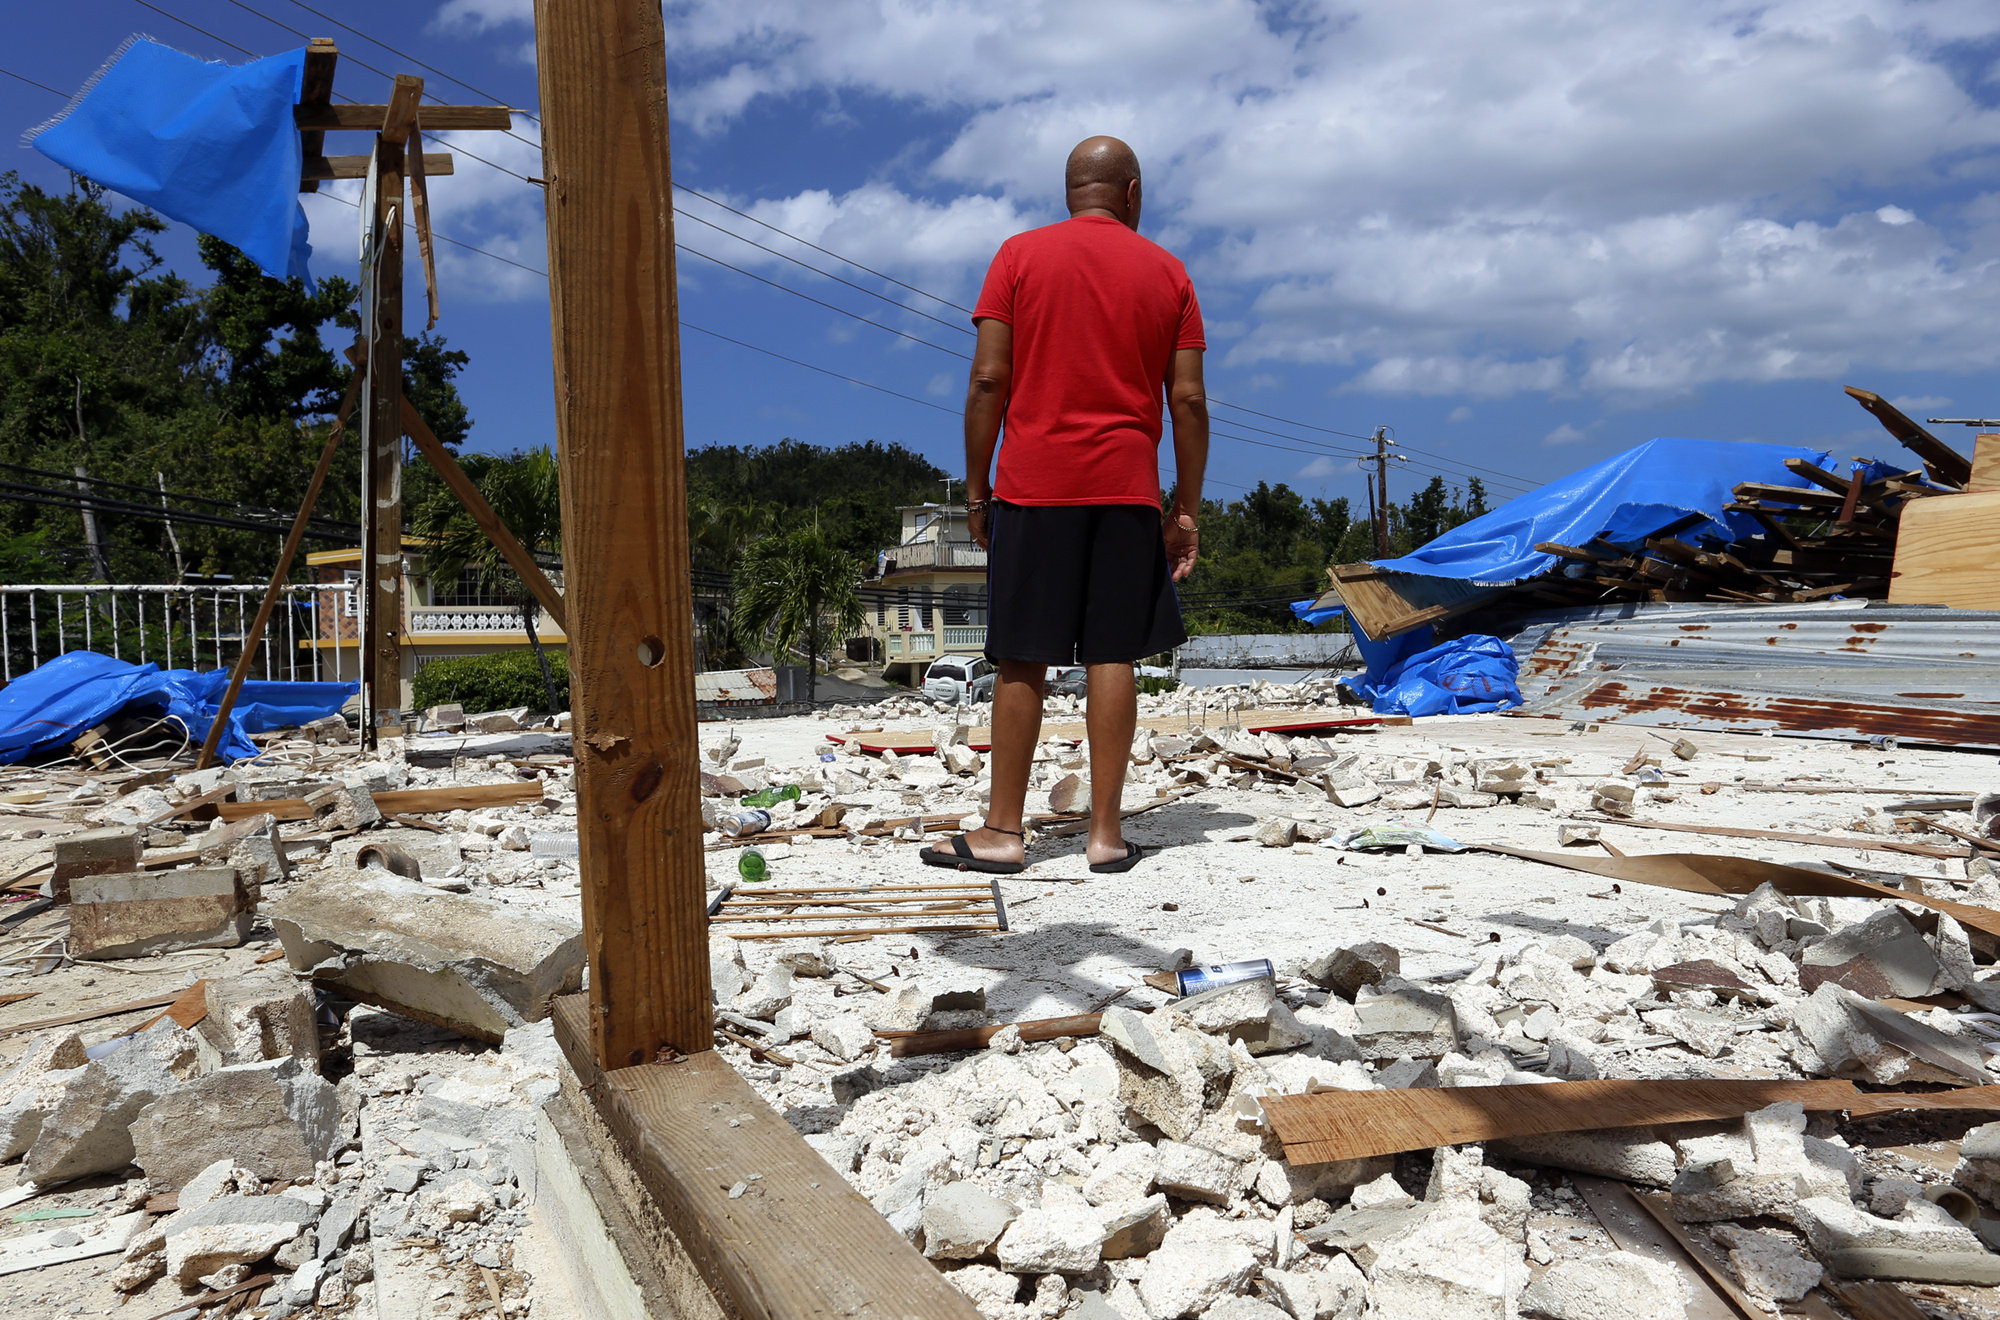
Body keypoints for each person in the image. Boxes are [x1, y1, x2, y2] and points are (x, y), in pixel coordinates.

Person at [920, 135, 1208, 877]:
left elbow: (988, 380)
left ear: (1069, 190)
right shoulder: (1169, 272)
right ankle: (1106, 835)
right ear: (1133, 191)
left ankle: (1004, 832)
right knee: (1113, 652)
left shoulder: (1018, 257)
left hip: (1033, 485)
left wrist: (977, 491)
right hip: (1126, 489)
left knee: (1023, 656)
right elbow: (1189, 398)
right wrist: (1185, 510)